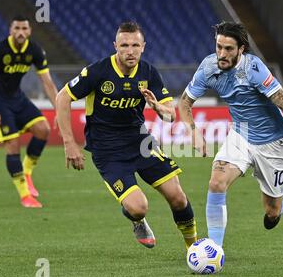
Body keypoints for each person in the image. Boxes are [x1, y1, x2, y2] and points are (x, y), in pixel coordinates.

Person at [178, 22, 283, 247]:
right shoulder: (208, 68)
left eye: (228, 49)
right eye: (219, 47)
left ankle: (278, 204)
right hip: (241, 135)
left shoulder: (254, 70)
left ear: (241, 49)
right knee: (216, 182)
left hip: (273, 143)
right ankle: (215, 250)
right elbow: (185, 103)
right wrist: (194, 132)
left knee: (271, 212)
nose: (222, 54)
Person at [55, 22, 197, 249]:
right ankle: (137, 220)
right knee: (138, 206)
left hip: (140, 141)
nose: (130, 51)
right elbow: (62, 97)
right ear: (115, 46)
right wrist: (69, 142)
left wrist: (159, 108)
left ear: (143, 47)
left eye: (135, 45)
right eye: (124, 45)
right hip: (107, 150)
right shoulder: (98, 71)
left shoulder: (148, 72)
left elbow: (170, 115)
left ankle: (194, 248)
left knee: (178, 197)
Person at [0, 15, 58, 208]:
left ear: (29, 31)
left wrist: (59, 110)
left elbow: (47, 82)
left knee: (43, 130)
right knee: (12, 144)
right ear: (10, 30)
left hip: (17, 97)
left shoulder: (35, 50)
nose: (20, 32)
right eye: (17, 28)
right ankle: (25, 195)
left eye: (24, 29)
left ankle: (27, 173)